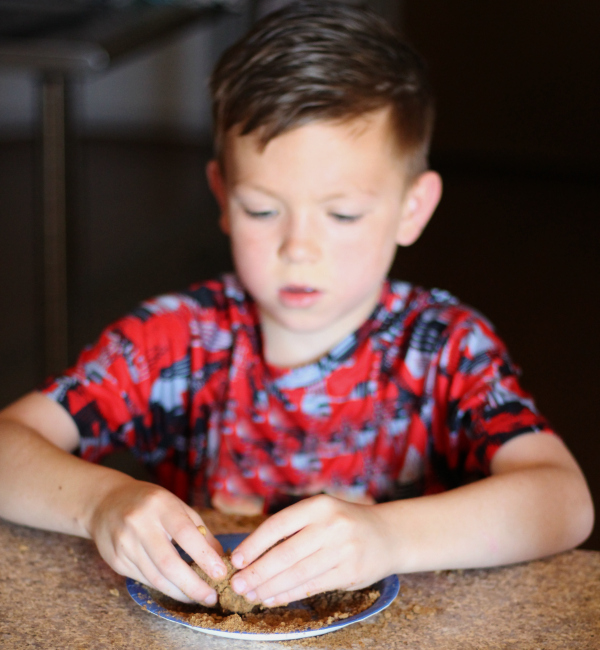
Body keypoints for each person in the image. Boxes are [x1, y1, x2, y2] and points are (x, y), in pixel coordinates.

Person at [0, 1, 593, 610]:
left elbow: (563, 502)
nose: (299, 248)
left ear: (412, 208)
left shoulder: (446, 349)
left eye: (342, 214)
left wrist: (388, 536)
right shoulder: (176, 338)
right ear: (223, 198)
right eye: (263, 209)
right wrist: (100, 503)